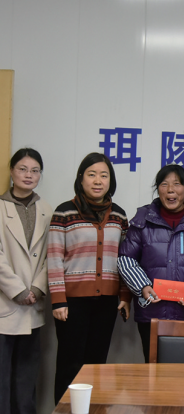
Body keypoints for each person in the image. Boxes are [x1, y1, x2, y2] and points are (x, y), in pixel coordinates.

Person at [48, 152, 130, 404]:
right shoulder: (64, 212)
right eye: (92, 174)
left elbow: (126, 259)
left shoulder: (119, 216)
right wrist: (58, 300)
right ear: (81, 178)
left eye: (104, 175)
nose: (98, 180)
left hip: (106, 301)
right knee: (70, 364)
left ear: (110, 181)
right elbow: (54, 257)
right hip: (72, 303)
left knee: (97, 364)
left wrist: (125, 295)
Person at [117, 164, 184, 362]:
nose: (170, 190)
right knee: (153, 369)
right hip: (152, 312)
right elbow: (125, 258)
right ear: (157, 189)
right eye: (164, 184)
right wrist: (142, 286)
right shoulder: (142, 220)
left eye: (177, 184)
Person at [0, 148, 52, 414]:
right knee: (2, 379)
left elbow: (51, 255)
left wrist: (37, 288)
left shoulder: (47, 210)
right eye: (22, 169)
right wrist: (17, 290)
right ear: (12, 171)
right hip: (5, 305)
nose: (28, 175)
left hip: (33, 305)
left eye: (35, 170)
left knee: (26, 378)